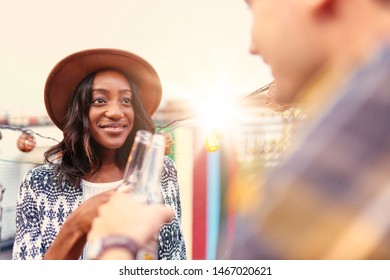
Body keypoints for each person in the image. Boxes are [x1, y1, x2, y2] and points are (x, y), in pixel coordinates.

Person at [87, 0, 390, 260]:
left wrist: (115, 244)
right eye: (99, 100)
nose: (252, 46)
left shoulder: (372, 108)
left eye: (253, 6)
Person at [12, 48, 187, 260]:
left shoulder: (163, 171)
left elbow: (176, 255)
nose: (115, 112)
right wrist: (77, 224)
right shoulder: (39, 183)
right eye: (100, 100)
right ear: (80, 111)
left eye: (126, 100)